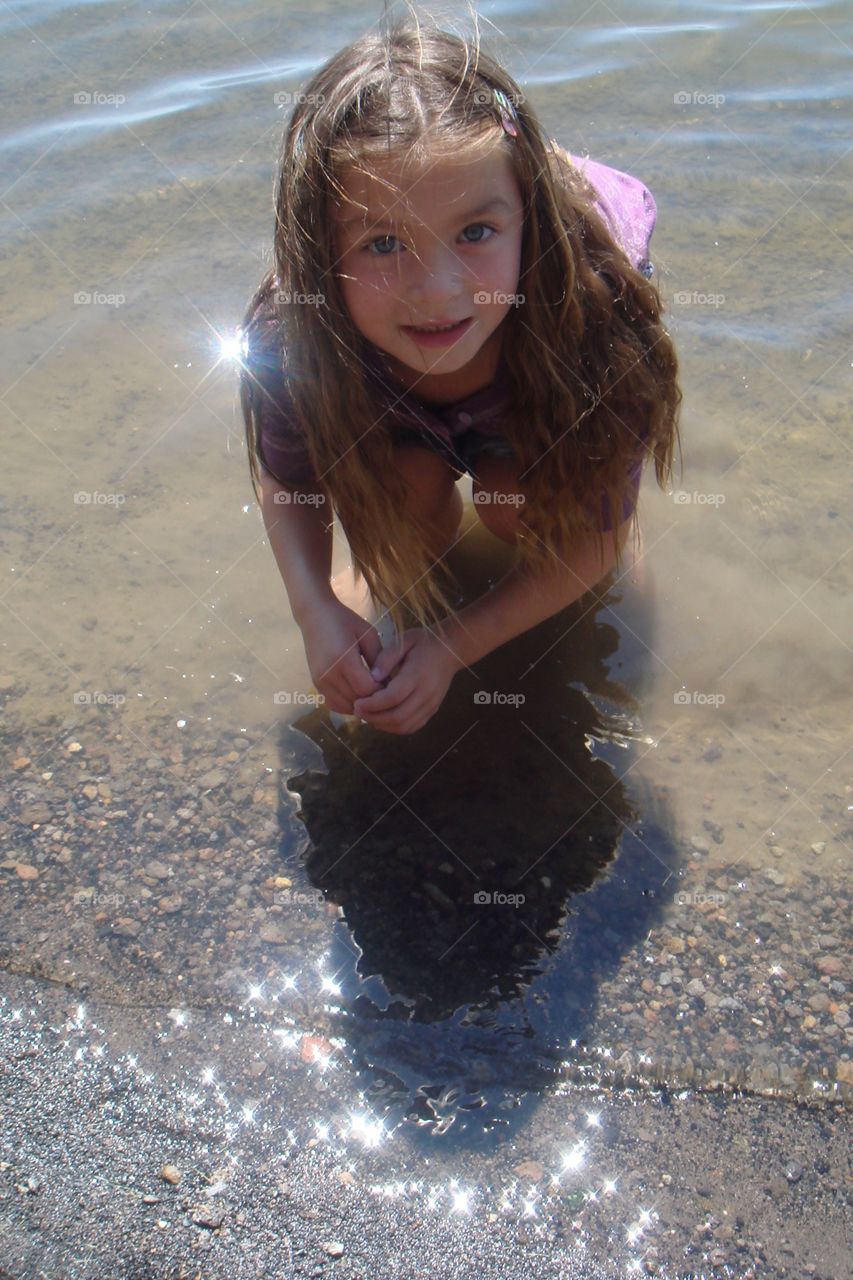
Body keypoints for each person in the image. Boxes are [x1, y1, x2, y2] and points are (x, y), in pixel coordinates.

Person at [237, 17, 683, 736]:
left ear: (528, 222)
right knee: (400, 492)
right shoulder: (297, 332)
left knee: (528, 511)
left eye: (475, 232)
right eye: (382, 243)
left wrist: (450, 647)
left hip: (551, 324)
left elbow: (584, 533)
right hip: (406, 370)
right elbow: (287, 478)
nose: (438, 292)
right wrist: (314, 607)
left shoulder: (596, 324)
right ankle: (418, 575)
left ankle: (594, 535)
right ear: (321, 249)